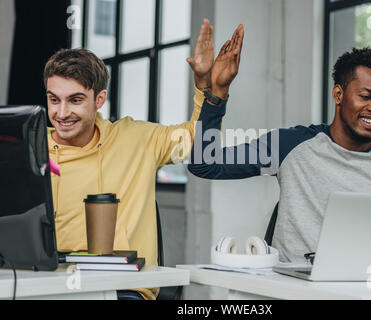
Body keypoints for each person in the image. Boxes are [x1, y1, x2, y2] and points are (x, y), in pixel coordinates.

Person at [44, 19, 243, 300]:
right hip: (47, 285)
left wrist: (206, 88)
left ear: (99, 99)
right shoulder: (32, 149)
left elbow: (199, 145)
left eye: (75, 100)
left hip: (123, 289)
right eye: (54, 100)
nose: (62, 113)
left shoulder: (136, 139)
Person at [188, 47, 371, 263]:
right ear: (339, 94)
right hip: (293, 289)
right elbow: (205, 163)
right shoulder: (290, 144)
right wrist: (216, 95)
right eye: (365, 96)